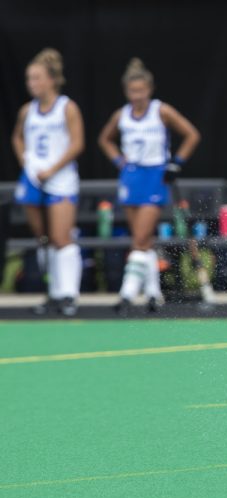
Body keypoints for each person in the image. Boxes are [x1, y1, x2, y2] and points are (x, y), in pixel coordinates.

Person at [98, 58, 200, 314]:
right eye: (133, 91)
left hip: (155, 175)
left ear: (150, 90)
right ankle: (154, 294)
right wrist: (119, 160)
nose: (137, 96)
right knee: (142, 240)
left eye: (141, 90)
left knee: (141, 238)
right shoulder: (121, 115)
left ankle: (127, 294)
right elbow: (105, 139)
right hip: (131, 177)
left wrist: (176, 162)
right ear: (126, 92)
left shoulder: (161, 111)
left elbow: (191, 134)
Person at [11, 48, 85, 317]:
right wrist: (27, 161)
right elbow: (17, 138)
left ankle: (69, 295)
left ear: (52, 79)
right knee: (43, 239)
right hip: (34, 177)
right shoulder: (26, 111)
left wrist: (53, 168)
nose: (33, 84)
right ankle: (53, 293)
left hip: (61, 179)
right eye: (30, 79)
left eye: (37, 78)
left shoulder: (67, 108)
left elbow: (77, 143)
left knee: (60, 237)